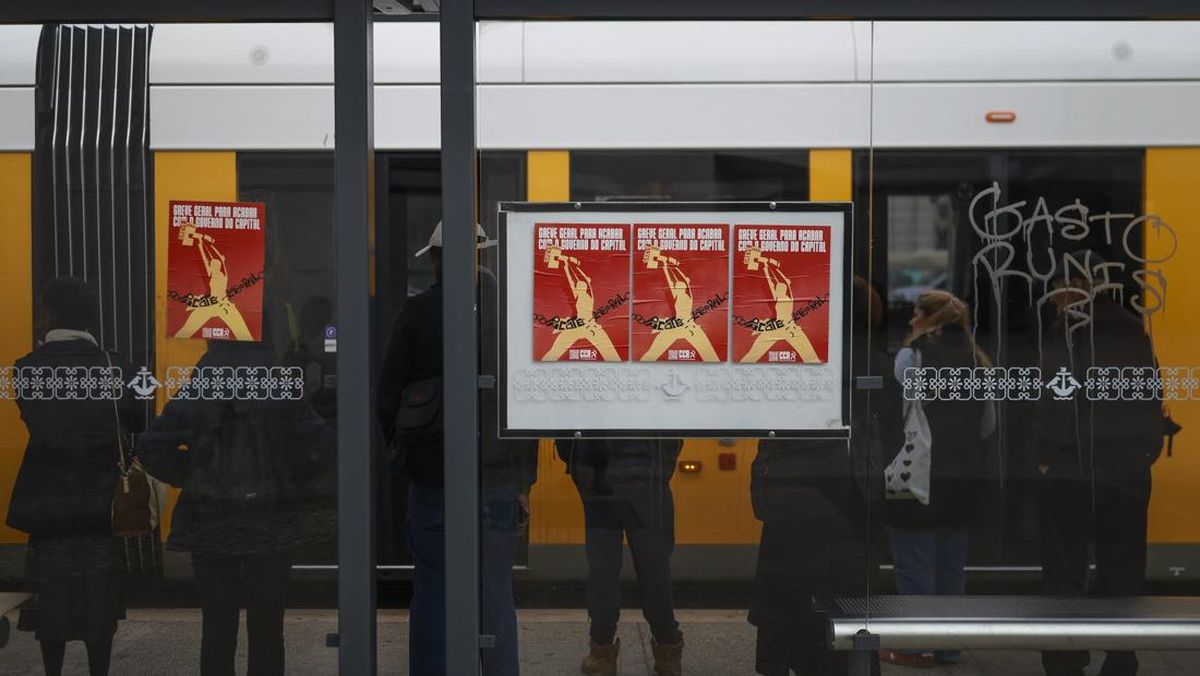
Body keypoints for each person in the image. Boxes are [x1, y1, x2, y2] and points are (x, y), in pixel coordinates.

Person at [377, 220, 538, 676]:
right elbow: (522, 405)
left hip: (433, 483)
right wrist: (524, 481)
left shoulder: (417, 314)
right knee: (494, 592)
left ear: (433, 260)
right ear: (480, 256)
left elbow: (386, 400)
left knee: (432, 590)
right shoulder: (504, 313)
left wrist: (407, 458)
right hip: (497, 481)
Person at [137, 336, 336, 676]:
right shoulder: (279, 380)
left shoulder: (203, 380)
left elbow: (152, 445)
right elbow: (322, 443)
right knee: (268, 629)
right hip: (271, 522)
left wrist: (194, 475)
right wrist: (287, 478)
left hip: (210, 522)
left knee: (217, 628)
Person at [748, 277, 897, 676]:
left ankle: (787, 659)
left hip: (790, 499)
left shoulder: (796, 356)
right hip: (850, 503)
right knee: (844, 600)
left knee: (787, 595)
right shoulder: (876, 363)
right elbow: (895, 434)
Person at [6, 279, 143, 676]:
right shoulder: (116, 366)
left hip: (48, 503)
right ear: (91, 317)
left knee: (52, 595)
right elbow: (136, 420)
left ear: (48, 315)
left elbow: (36, 420)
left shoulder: (27, 369)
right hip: (101, 503)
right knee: (99, 593)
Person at [1035, 261, 1163, 676]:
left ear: (1075, 285)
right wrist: (1146, 453)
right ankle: (1122, 656)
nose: (1053, 298)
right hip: (1125, 472)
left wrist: (1045, 458)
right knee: (1121, 571)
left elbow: (1053, 399)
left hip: (1073, 471)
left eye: (1056, 287)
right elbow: (1150, 396)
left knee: (1065, 568)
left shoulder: (1065, 333)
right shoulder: (1130, 327)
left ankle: (1065, 657)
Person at [881, 290, 993, 668]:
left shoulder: (912, 358)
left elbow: (899, 409)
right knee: (950, 566)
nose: (911, 322)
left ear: (931, 320)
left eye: (916, 315)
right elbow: (988, 423)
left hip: (921, 474)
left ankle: (917, 645)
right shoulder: (978, 362)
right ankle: (948, 646)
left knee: (914, 561)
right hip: (963, 476)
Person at [554, 438, 685, 676]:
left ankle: (602, 653)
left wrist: (580, 466)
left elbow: (568, 427)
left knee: (603, 569)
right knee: (654, 567)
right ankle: (668, 652)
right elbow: (674, 425)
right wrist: (661, 467)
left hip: (600, 478)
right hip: (648, 475)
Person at [738, 247, 820, 364]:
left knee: (811, 358)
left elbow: (780, 281)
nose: (776, 288)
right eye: (777, 288)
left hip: (788, 328)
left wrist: (767, 263)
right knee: (752, 355)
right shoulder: (779, 295)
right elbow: (771, 282)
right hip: (776, 327)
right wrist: (765, 267)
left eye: (779, 287)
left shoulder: (786, 295)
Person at [540, 246, 622, 362]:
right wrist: (566, 266)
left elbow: (583, 278)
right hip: (576, 326)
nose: (579, 284)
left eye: (581, 284)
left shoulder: (589, 293)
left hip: (591, 327)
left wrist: (571, 263)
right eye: (578, 285)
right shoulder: (578, 294)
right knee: (554, 352)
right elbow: (571, 280)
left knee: (612, 355)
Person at [638, 247, 720, 362]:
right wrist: (665, 265)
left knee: (711, 356)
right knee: (651, 354)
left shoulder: (687, 292)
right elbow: (670, 280)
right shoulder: (677, 293)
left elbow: (683, 280)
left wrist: (670, 264)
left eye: (680, 284)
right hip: (674, 327)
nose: (678, 284)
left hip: (690, 328)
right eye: (677, 285)